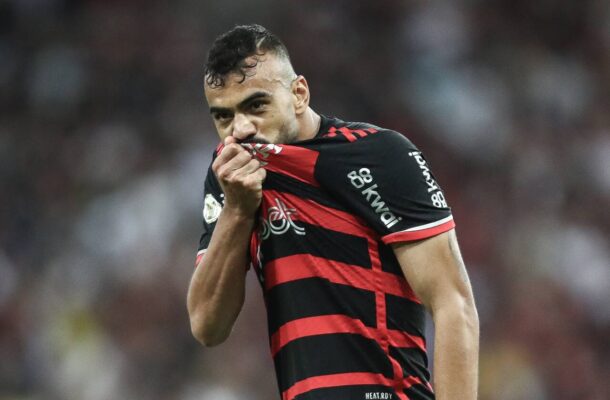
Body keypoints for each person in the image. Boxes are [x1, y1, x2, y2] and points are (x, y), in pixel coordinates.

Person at [187, 24, 479, 400]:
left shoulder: (380, 156)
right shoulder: (230, 178)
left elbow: (453, 302)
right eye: (224, 117)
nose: (241, 129)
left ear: (298, 94)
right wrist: (238, 212)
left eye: (256, 105)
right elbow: (208, 326)